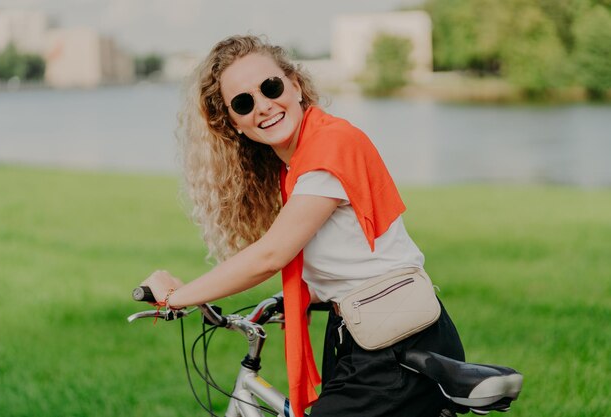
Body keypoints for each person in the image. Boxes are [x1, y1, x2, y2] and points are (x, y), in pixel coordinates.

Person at [140, 34, 465, 417]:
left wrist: (176, 297)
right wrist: (291, 299)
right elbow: (350, 255)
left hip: (397, 345)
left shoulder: (329, 148)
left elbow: (271, 254)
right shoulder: (298, 167)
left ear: (295, 86)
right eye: (244, 103)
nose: (263, 106)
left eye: (270, 87)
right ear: (235, 124)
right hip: (367, 335)